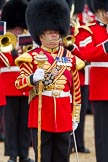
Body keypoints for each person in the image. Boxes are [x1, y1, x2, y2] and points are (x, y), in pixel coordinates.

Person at [14, 0, 85, 162]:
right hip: (41, 114)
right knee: (43, 157)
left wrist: (75, 116)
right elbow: (18, 84)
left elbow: (75, 90)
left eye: (56, 32)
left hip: (63, 115)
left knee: (62, 157)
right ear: (40, 35)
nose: (54, 35)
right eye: (50, 32)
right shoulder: (31, 58)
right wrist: (32, 78)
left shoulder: (69, 58)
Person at [72, 0, 108, 161]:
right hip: (101, 87)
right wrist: (105, 46)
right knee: (103, 132)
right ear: (101, 11)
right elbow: (86, 54)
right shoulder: (88, 30)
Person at [0, 0, 34, 162]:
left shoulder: (29, 39)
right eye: (15, 28)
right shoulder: (3, 40)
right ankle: (12, 154)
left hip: (26, 85)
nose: (18, 31)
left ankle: (24, 154)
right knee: (11, 124)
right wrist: (12, 53)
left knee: (25, 123)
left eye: (20, 28)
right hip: (9, 85)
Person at [65, 0, 90, 153]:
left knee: (80, 112)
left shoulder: (80, 29)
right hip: (66, 78)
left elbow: (85, 53)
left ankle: (79, 143)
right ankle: (68, 143)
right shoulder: (60, 31)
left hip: (80, 77)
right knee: (67, 112)